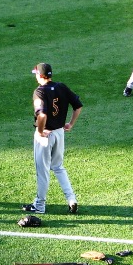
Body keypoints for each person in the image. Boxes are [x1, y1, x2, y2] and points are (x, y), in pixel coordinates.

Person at [23, 63, 83, 214]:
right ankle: (72, 199)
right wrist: (70, 124)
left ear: (41, 75)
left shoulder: (39, 92)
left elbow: (42, 115)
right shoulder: (61, 87)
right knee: (58, 167)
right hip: (59, 133)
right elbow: (78, 106)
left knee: (42, 170)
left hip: (45, 136)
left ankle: (40, 205)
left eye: (36, 73)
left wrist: (41, 131)